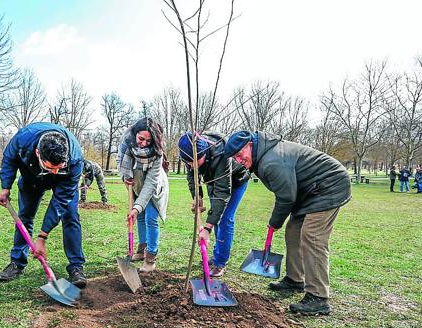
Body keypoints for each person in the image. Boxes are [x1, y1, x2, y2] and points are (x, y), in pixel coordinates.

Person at [224, 130, 351, 315]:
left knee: (312, 237)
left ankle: (318, 297)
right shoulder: (264, 156)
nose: (238, 160)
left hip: (328, 186)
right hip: (309, 191)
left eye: (239, 155)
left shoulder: (271, 161)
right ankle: (295, 279)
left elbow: (286, 197)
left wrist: (274, 222)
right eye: (234, 158)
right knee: (293, 232)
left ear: (249, 145)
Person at [0, 122, 87, 288]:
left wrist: (42, 237)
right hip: (32, 178)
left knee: (70, 216)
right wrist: (5, 187)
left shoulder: (74, 158)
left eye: (59, 167)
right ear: (38, 153)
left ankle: (76, 266)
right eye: (50, 167)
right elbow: (9, 159)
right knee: (24, 217)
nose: (54, 172)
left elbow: (60, 202)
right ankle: (17, 262)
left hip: (64, 183)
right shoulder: (23, 139)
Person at [177, 131, 250, 277]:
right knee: (215, 216)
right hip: (212, 179)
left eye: (194, 161)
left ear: (203, 154)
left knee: (224, 218)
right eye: (188, 162)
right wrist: (197, 197)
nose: (191, 166)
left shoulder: (222, 154)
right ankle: (217, 254)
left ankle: (220, 262)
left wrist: (207, 228)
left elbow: (222, 193)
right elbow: (192, 176)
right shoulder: (190, 153)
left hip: (236, 181)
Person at [117, 117, 169, 273]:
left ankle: (151, 257)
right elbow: (120, 162)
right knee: (139, 217)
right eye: (141, 138)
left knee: (150, 217)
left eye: (148, 140)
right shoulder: (126, 143)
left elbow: (151, 183)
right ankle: (141, 249)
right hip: (136, 184)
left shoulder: (157, 153)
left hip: (154, 188)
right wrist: (125, 178)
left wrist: (137, 206)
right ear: (135, 134)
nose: (144, 143)